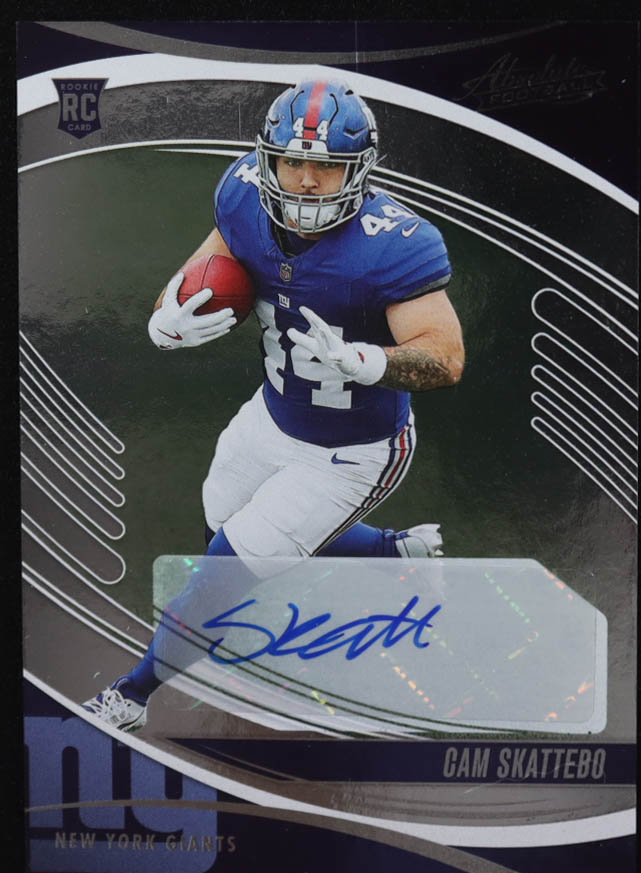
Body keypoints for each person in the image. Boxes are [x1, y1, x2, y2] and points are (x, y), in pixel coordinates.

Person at [83, 77, 464, 731]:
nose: (307, 180)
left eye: (327, 166)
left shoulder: (394, 243)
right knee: (219, 526)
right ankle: (392, 553)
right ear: (267, 159)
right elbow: (203, 271)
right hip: (273, 412)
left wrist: (369, 361)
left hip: (354, 449)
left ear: (359, 170)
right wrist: (166, 317)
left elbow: (446, 356)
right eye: (292, 161)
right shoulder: (241, 195)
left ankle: (132, 697)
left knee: (221, 572)